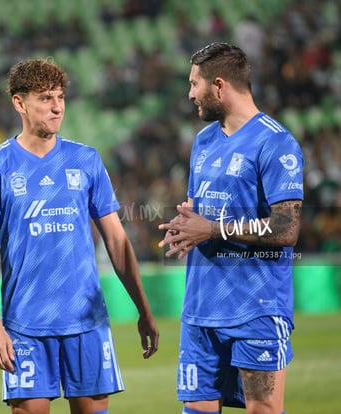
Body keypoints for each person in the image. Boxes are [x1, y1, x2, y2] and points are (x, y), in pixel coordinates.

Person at [0, 57, 159, 414]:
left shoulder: (86, 160)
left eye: (60, 97)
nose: (57, 107)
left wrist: (143, 309)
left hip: (86, 322)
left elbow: (117, 242)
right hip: (24, 326)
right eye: (45, 98)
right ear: (19, 103)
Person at [158, 42, 304, 414]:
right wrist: (186, 225)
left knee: (262, 409)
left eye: (194, 84)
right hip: (200, 308)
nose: (190, 94)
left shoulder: (275, 142)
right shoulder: (203, 142)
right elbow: (203, 213)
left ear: (219, 86)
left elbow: (286, 229)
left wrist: (210, 229)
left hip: (256, 307)